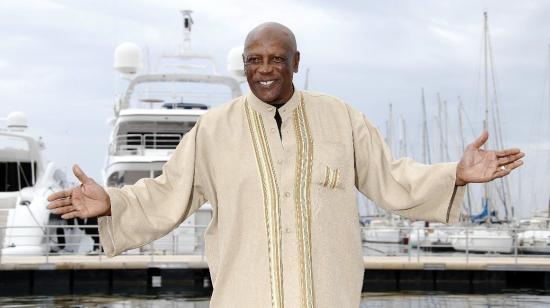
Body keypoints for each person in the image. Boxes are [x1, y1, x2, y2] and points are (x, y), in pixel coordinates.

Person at [47, 22, 524, 307]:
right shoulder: (213, 131)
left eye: (276, 58)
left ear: (296, 62)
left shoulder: (341, 119)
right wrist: (111, 201)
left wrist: (454, 174)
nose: (265, 69)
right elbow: (167, 193)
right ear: (245, 66)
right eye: (254, 59)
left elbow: (393, 179)